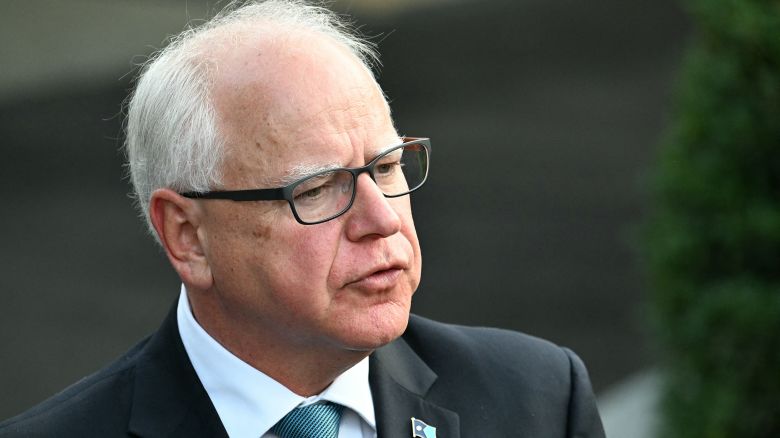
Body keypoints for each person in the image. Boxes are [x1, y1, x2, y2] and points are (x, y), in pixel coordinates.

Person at [0, 1, 605, 437]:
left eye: (388, 166)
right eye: (317, 189)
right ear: (188, 238)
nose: (381, 219)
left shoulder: (538, 399)